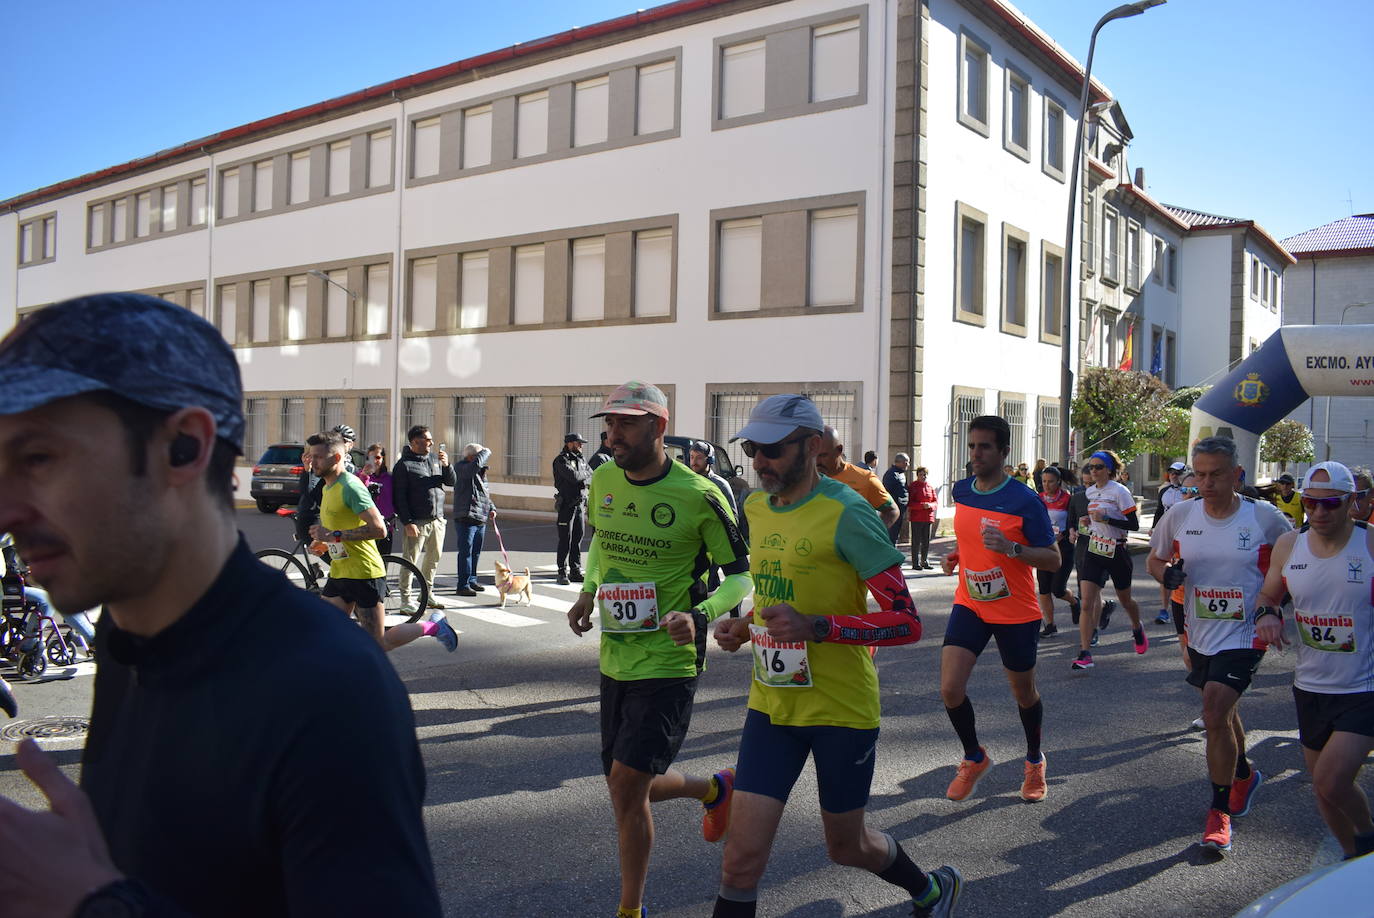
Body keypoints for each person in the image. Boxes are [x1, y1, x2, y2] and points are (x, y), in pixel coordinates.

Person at [0, 292, 442, 916]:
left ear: (184, 447)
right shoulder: (125, 640)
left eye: (39, 458)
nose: (5, 510)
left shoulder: (327, 689)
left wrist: (89, 902)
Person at [706, 393, 958, 918]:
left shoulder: (848, 513)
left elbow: (907, 622)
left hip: (841, 709)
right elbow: (777, 597)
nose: (759, 462)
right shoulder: (756, 506)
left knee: (846, 846)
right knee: (740, 862)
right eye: (753, 448)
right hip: (772, 706)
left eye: (772, 449)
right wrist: (743, 626)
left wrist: (817, 626)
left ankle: (931, 889)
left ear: (812, 445)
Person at [565, 381, 752, 918]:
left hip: (671, 657)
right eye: (610, 423)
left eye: (626, 422)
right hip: (617, 652)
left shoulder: (700, 494)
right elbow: (602, 539)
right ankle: (713, 790)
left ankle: (631, 909)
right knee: (625, 785)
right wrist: (588, 590)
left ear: (658, 427)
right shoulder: (602, 476)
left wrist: (700, 616)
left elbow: (740, 578)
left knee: (626, 783)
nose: (612, 433)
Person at [1148, 436, 1292, 853]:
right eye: (1200, 474)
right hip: (1200, 629)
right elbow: (1155, 558)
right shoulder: (1180, 514)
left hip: (1247, 631)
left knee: (1213, 708)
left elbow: (1290, 559)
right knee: (1221, 714)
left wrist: (1273, 606)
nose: (1206, 483)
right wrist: (1165, 576)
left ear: (1237, 475)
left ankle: (1219, 811)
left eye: (1216, 474)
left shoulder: (1263, 517)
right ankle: (1243, 774)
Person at [1255, 461, 1374, 861]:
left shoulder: (1371, 545)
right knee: (1322, 789)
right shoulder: (1291, 545)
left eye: (1331, 505)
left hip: (1364, 686)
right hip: (1310, 685)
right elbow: (1268, 596)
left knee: (1331, 779)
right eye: (1311, 504)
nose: (1319, 513)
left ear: (1353, 503)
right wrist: (1267, 615)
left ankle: (1368, 836)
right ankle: (1351, 858)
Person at [939, 415, 1062, 805]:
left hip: (1016, 610)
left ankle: (1034, 760)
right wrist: (958, 554)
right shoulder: (963, 490)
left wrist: (1012, 549)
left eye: (985, 447)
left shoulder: (1026, 500)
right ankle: (974, 757)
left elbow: (1054, 560)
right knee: (950, 688)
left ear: (1004, 451)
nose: (975, 453)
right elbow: (972, 536)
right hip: (971, 602)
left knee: (1023, 693)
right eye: (972, 445)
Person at [306, 430, 458, 655]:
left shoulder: (351, 487)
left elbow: (379, 529)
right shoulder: (328, 487)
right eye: (311, 455)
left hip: (365, 574)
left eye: (318, 456)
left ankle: (432, 626)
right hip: (340, 572)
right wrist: (325, 543)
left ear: (337, 458)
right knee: (325, 632)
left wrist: (334, 535)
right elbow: (340, 529)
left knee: (378, 644)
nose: (312, 461)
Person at [1071, 449, 1147, 671]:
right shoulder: (1091, 492)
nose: (1093, 471)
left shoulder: (1120, 491)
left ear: (1110, 470)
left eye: (1098, 467)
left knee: (1126, 600)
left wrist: (1106, 518)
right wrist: (1087, 522)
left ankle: (1136, 626)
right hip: (1095, 550)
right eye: (1091, 467)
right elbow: (1094, 521)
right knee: (1086, 602)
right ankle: (1085, 653)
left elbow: (1133, 524)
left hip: (1117, 551)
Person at [392, 425, 454, 613]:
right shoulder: (404, 465)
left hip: (438, 519)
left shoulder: (435, 460)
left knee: (433, 560)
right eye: (428, 440)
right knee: (410, 561)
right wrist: (407, 522)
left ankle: (427, 593)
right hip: (417, 521)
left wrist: (447, 465)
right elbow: (399, 497)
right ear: (415, 442)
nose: (432, 443)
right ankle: (405, 599)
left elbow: (451, 482)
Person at [814, 427, 900, 530]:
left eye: (823, 455)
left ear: (839, 450)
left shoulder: (865, 479)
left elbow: (892, 511)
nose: (817, 461)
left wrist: (873, 535)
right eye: (813, 455)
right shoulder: (804, 480)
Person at [1035, 466, 1080, 637]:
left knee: (1058, 589)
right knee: (1044, 589)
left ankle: (1075, 602)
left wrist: (1065, 533)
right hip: (1044, 548)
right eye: (1044, 481)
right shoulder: (1038, 499)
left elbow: (1074, 521)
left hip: (1064, 548)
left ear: (1059, 482)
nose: (1046, 485)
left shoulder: (1069, 499)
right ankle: (1050, 625)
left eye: (1050, 481)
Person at [453, 442, 495, 597]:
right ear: (472, 457)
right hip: (466, 516)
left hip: (480, 517)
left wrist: (492, 508)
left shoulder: (480, 472)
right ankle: (462, 585)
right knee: (466, 552)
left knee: (475, 552)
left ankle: (472, 580)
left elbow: (484, 493)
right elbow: (472, 468)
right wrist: (486, 451)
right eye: (480, 457)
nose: (483, 460)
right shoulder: (462, 467)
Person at [553, 433, 592, 585]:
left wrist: (583, 473)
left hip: (580, 504)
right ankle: (562, 572)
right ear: (570, 443)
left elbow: (590, 472)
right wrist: (584, 474)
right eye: (578, 443)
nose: (581, 445)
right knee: (565, 540)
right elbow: (574, 477)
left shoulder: (580, 458)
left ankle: (575, 571)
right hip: (566, 505)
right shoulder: (561, 460)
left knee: (577, 539)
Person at [1152, 461, 1189, 624]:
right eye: (1171, 472)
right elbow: (1159, 511)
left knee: (1188, 573)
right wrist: (1154, 528)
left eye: (1178, 472)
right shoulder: (1165, 491)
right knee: (1166, 571)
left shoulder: (1190, 491)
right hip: (1169, 536)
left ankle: (1187, 608)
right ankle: (1164, 610)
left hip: (1188, 536)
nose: (1174, 475)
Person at [359, 442, 395, 554]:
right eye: (371, 458)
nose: (375, 461)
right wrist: (365, 476)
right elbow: (358, 493)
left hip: (386, 525)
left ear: (383, 459)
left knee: (384, 559)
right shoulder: (360, 475)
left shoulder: (390, 478)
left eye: (378, 457)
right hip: (367, 525)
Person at [908, 466, 938, 571]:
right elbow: (910, 503)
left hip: (928, 517)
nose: (923, 476)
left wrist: (930, 505)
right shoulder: (913, 486)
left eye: (924, 474)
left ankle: (924, 561)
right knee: (916, 541)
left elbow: (935, 502)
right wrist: (921, 506)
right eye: (921, 474)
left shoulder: (930, 487)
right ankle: (915, 562)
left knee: (926, 541)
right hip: (917, 518)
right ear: (917, 475)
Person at [882, 453, 911, 546]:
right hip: (894, 508)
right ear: (899, 462)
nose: (908, 465)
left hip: (901, 509)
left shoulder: (901, 473)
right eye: (906, 463)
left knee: (895, 534)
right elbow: (887, 491)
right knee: (892, 534)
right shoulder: (891, 474)